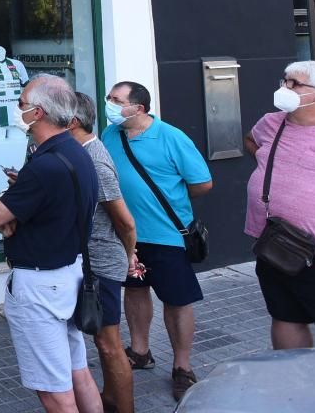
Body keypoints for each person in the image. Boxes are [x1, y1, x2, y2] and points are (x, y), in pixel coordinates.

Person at [0, 75, 103, 413]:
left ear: (38, 113)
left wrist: (11, 204)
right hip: (68, 274)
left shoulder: (44, 166)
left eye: (21, 104)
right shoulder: (76, 152)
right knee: (78, 373)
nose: (17, 109)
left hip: (40, 286)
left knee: (53, 391)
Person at [100, 80, 212, 402]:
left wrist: (167, 198)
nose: (109, 103)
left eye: (116, 99)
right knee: (134, 291)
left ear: (138, 108)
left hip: (165, 235)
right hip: (125, 235)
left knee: (176, 301)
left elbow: (202, 183)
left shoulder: (171, 137)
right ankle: (140, 351)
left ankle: (182, 367)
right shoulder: (111, 135)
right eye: (110, 97)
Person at [244, 61, 315, 349]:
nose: (284, 87)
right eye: (284, 80)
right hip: (274, 244)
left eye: (293, 83)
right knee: (285, 315)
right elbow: (251, 141)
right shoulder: (271, 122)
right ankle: (292, 382)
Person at [70, 93, 139, 413]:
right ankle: (109, 398)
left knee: (108, 345)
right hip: (86, 261)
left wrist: (128, 256)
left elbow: (124, 222)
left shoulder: (94, 159)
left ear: (71, 121)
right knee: (99, 340)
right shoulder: (76, 152)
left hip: (101, 263)